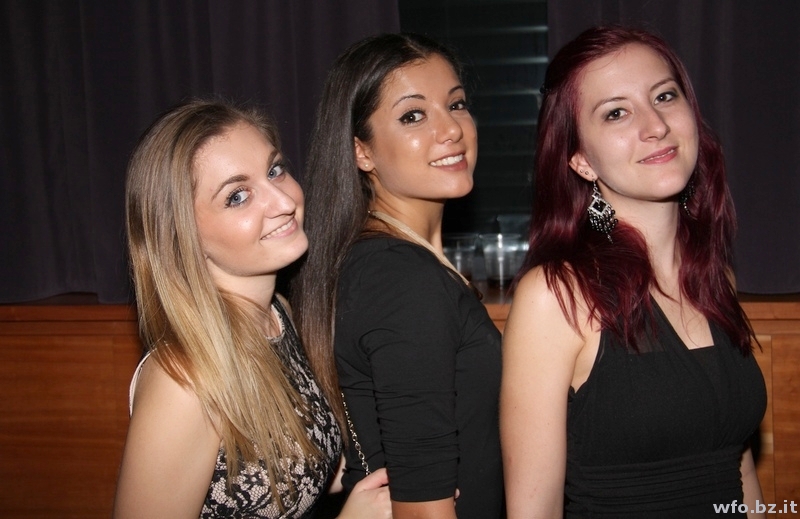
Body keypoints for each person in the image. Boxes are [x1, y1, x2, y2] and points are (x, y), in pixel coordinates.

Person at [501, 25, 767, 518]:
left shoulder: (715, 280)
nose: (656, 125)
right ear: (581, 160)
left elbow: (739, 472)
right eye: (616, 112)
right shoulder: (557, 296)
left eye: (664, 96)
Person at [113, 99, 391, 518]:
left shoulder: (279, 317)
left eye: (275, 170)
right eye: (238, 196)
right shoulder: (184, 381)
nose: (283, 201)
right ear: (183, 237)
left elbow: (303, 468)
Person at [291, 33, 504, 518]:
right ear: (361, 152)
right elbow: (423, 510)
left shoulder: (387, 264)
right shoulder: (401, 280)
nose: (451, 129)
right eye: (413, 115)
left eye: (456, 104)